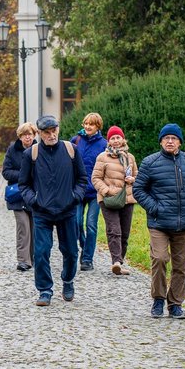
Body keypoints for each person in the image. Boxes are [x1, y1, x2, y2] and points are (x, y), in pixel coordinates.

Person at [131, 123, 185, 319]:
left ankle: (175, 303)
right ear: (161, 141)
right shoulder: (150, 162)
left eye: (174, 138)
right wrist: (155, 207)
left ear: (180, 142)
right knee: (159, 258)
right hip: (159, 223)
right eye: (166, 138)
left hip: (184, 224)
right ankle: (158, 299)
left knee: (180, 265)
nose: (170, 141)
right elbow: (139, 190)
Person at [18, 115, 88, 307]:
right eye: (47, 132)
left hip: (67, 210)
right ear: (39, 134)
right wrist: (34, 201)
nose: (51, 135)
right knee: (41, 252)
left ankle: (67, 280)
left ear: (58, 129)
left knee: (71, 252)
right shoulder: (31, 154)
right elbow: (23, 184)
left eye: (54, 131)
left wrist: (75, 197)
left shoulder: (71, 150)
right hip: (42, 212)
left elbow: (82, 179)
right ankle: (45, 290)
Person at [91, 125, 139, 275]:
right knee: (114, 230)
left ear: (123, 139)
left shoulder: (130, 158)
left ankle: (120, 262)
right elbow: (95, 178)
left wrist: (133, 179)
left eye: (118, 137)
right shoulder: (102, 157)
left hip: (127, 199)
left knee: (124, 233)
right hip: (108, 199)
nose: (116, 140)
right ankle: (115, 261)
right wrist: (107, 191)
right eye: (113, 138)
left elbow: (139, 178)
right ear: (109, 141)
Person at [72, 113, 107, 271]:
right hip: (78, 190)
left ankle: (87, 259)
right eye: (85, 123)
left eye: (91, 125)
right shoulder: (76, 141)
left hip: (95, 192)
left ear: (98, 127)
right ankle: (85, 246)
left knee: (91, 225)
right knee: (77, 223)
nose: (87, 127)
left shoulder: (104, 144)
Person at [3, 122, 38, 271]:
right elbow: (6, 172)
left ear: (34, 135)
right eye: (24, 135)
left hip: (34, 194)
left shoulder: (39, 150)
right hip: (17, 195)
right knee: (23, 226)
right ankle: (23, 260)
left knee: (34, 227)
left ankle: (34, 258)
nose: (27, 137)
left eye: (30, 134)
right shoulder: (13, 150)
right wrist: (23, 176)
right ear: (20, 136)